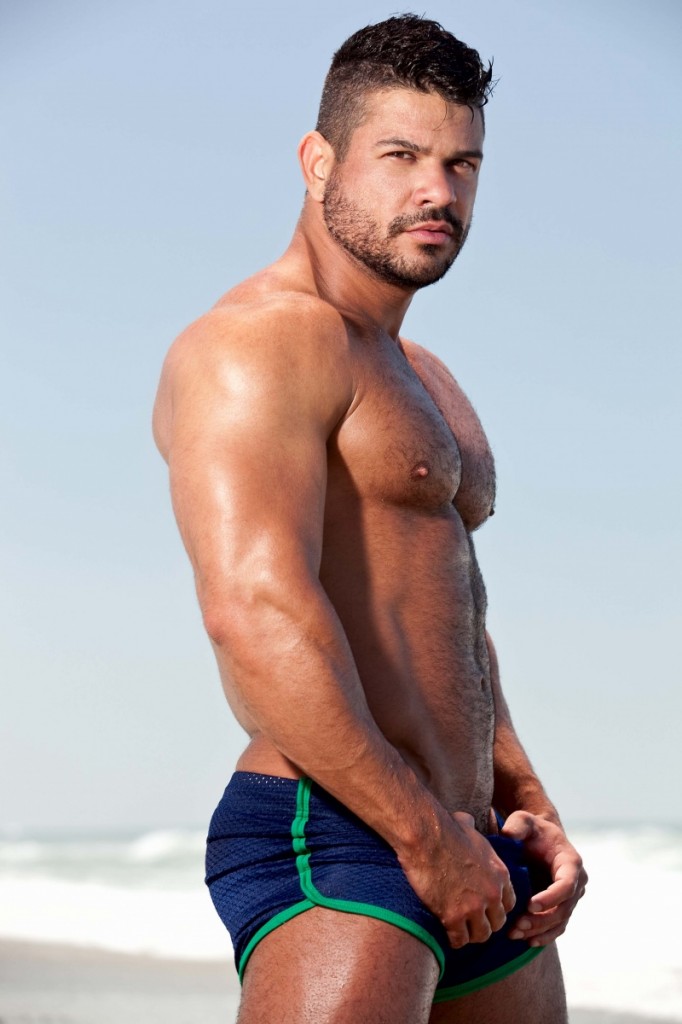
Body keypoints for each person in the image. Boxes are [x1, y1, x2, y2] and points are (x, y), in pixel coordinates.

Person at [153, 14, 586, 1023]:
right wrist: (421, 835)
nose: (437, 191)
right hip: (343, 829)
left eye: (461, 164)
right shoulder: (255, 344)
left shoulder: (423, 376)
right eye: (400, 156)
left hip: (468, 841)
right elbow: (252, 610)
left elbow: (454, 620)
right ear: (319, 162)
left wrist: (524, 801)